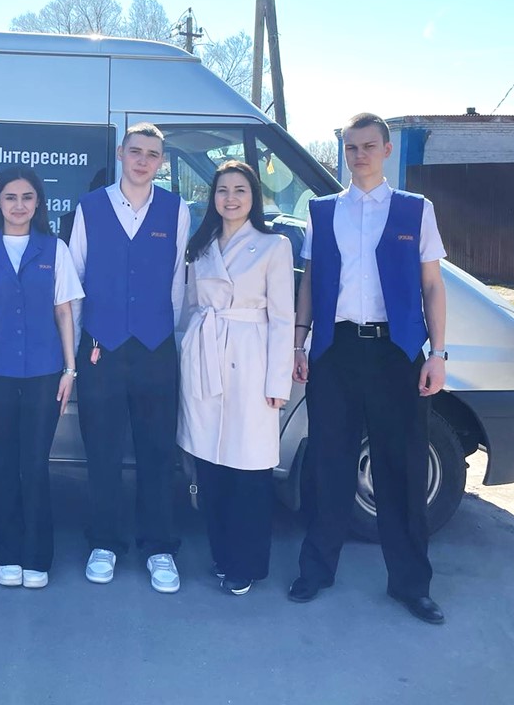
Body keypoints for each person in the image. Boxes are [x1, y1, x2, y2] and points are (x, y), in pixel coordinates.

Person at [290, 113, 449, 625]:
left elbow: (432, 285)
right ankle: (316, 570)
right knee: (327, 465)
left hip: (395, 354)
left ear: (386, 150)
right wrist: (299, 341)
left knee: (400, 468)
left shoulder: (415, 209)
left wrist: (439, 353)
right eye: (351, 147)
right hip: (335, 351)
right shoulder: (321, 211)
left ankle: (410, 584)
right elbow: (311, 279)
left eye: (368, 146)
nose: (359, 155)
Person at [69, 122, 188, 594]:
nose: (142, 160)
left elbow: (177, 282)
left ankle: (159, 547)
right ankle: (105, 542)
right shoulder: (89, 207)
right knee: (102, 452)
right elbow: (75, 280)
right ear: (121, 153)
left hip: (155, 348)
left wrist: (160, 333)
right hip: (101, 347)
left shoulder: (176, 210)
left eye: (152, 154)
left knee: (157, 452)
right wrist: (80, 349)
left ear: (161, 162)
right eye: (135, 151)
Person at [177, 160, 294, 597]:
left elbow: (283, 317)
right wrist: (186, 355)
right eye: (222, 190)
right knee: (210, 467)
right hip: (205, 356)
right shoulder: (201, 246)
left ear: (253, 197)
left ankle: (247, 563)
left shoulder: (273, 245)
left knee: (249, 469)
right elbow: (190, 307)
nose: (230, 198)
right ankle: (221, 555)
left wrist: (277, 382)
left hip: (251, 361)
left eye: (240, 190)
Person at [0, 167, 83, 589]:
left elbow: (64, 312)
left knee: (34, 464)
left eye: (27, 197)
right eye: (10, 197)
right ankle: (8, 554)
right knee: (4, 463)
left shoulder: (55, 249)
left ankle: (37, 556)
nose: (19, 205)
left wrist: (70, 369)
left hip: (44, 373)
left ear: (38, 204)